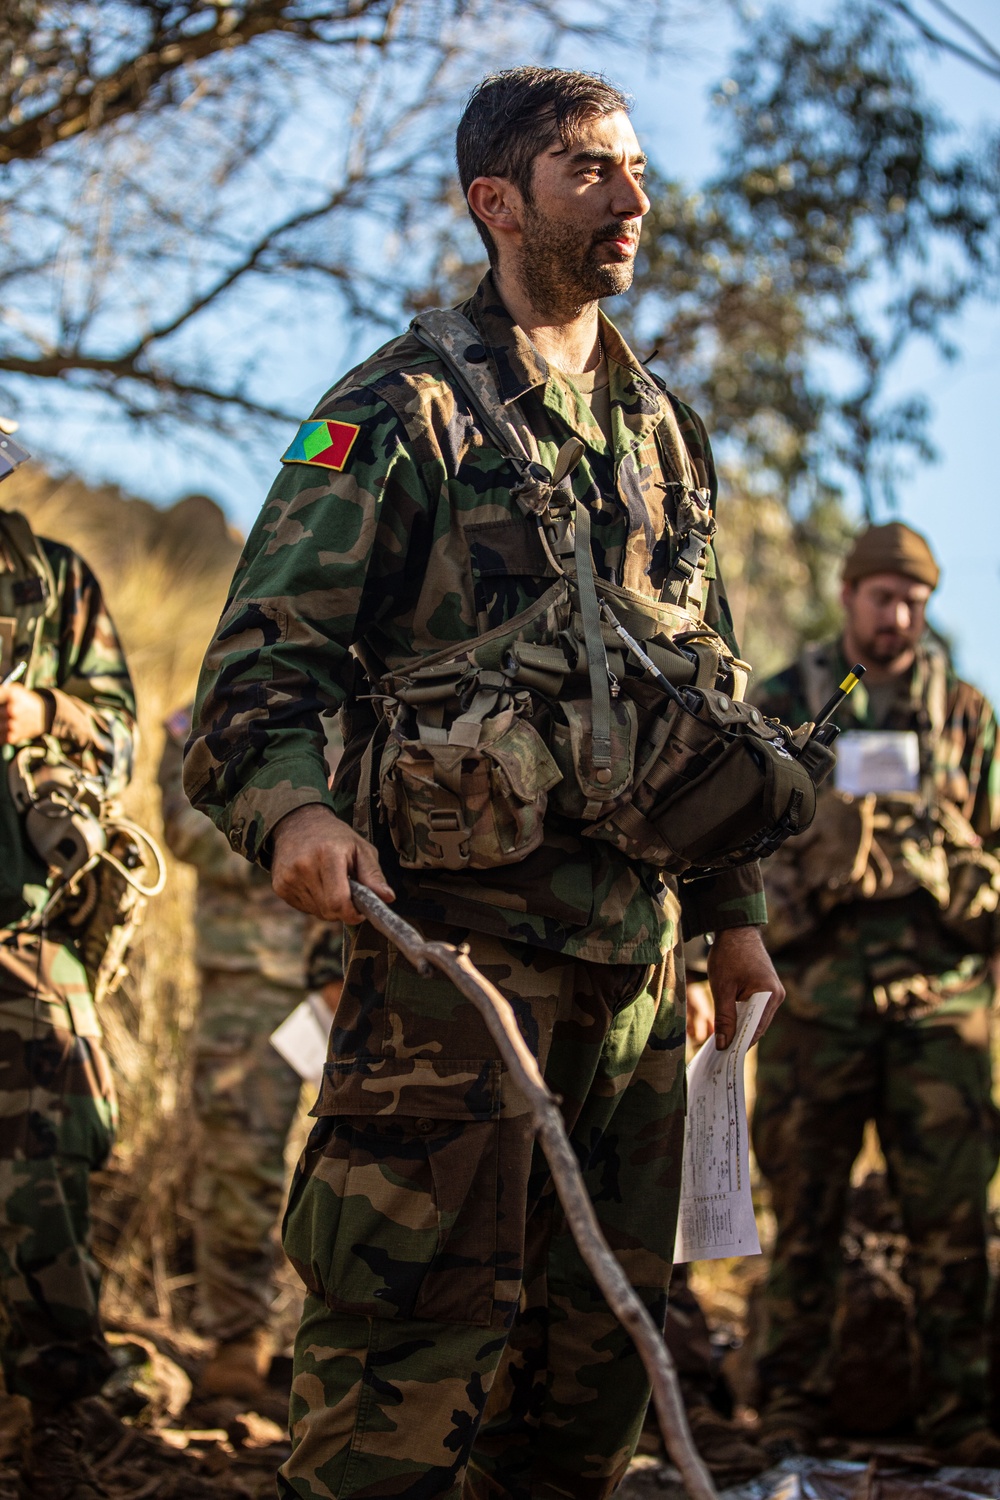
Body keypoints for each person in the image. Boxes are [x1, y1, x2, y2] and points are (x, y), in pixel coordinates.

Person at [184, 66, 784, 1500]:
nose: (634, 198)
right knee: (404, 1375)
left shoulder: (663, 436)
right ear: (496, 202)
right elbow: (262, 663)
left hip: (635, 989)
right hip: (456, 970)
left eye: (639, 169)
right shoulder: (397, 410)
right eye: (593, 170)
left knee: (590, 1389)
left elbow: (703, 695)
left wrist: (732, 912)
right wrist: (296, 807)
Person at [751, 522, 1000, 1463]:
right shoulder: (789, 702)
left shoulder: (966, 717)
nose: (898, 616)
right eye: (882, 596)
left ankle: (959, 1414)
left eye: (914, 601)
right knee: (803, 1221)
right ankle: (787, 1412)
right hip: (817, 1011)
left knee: (952, 1226)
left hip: (943, 1013)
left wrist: (945, 872)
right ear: (849, 596)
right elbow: (738, 851)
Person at [0, 483, 136, 1498]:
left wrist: (46, 710)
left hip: (21, 929)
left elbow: (127, 738)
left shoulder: (50, 585)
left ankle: (60, 1420)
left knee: (43, 1167)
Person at [157, 709, 344, 1409]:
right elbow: (185, 830)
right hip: (251, 981)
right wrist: (293, 818)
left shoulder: (377, 691)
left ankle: (347, 1351)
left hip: (364, 974)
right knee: (239, 1164)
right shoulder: (204, 716)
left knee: (376, 1168)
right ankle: (239, 1341)